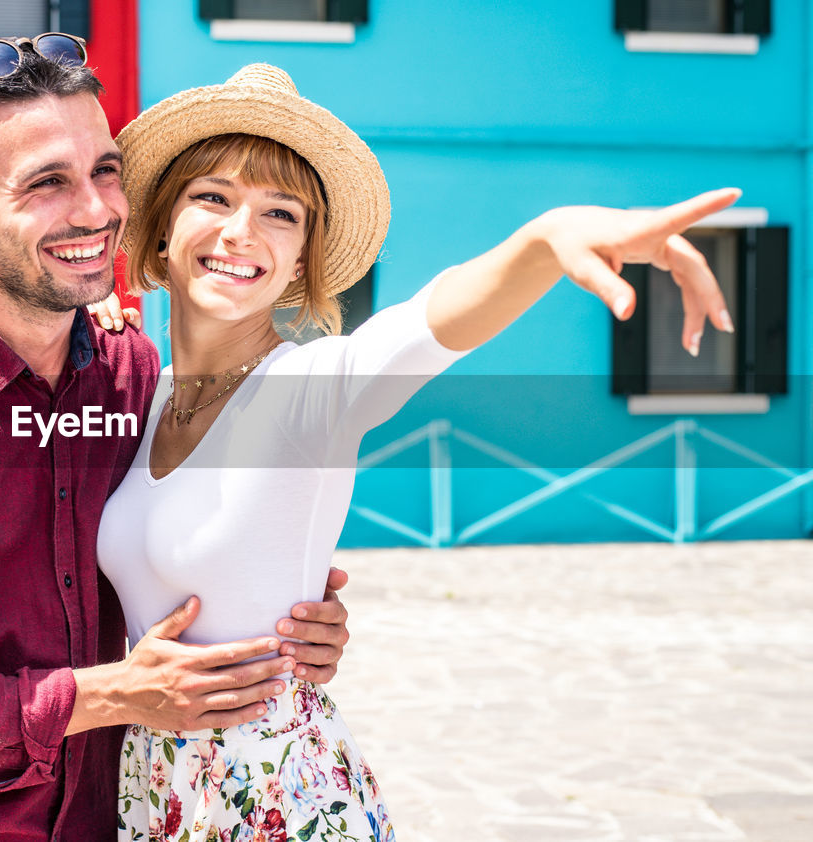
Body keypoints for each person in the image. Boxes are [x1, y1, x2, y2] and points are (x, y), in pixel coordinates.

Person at [96, 64, 738, 840]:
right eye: (214, 197)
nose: (242, 231)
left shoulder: (312, 390)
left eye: (280, 213)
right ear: (163, 225)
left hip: (277, 796)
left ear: (301, 258)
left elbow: (430, 323)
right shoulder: (141, 392)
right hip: (151, 790)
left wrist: (544, 241)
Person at [0, 38, 354, 840]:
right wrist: (114, 694)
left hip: (112, 821)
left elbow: (170, 558)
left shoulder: (132, 371)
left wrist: (292, 623)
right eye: (47, 183)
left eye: (104, 171)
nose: (93, 210)